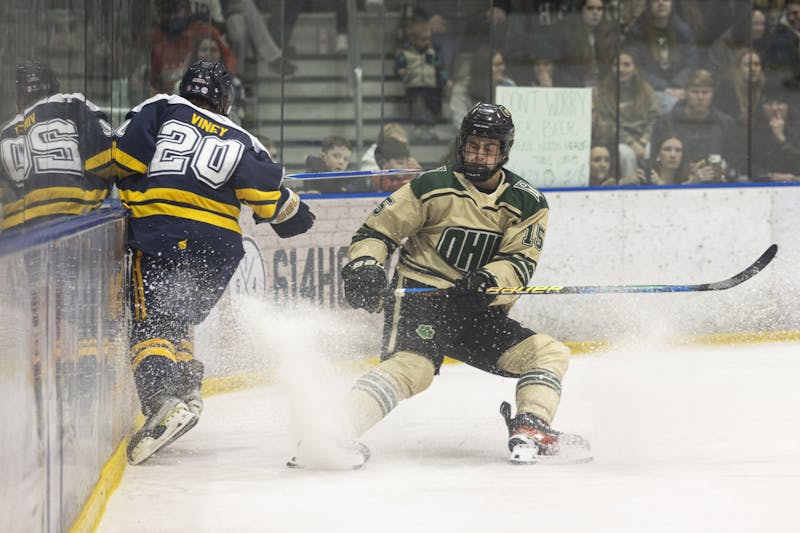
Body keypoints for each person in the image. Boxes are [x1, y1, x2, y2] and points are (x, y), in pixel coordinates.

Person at [288, 103, 591, 468]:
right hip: (424, 299)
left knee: (549, 354)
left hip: (479, 307)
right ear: (462, 144)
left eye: (489, 148)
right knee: (412, 369)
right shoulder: (432, 185)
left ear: (505, 151)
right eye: (473, 145)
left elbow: (520, 262)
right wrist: (366, 267)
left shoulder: (527, 203)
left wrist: (486, 281)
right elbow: (377, 232)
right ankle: (331, 433)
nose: (479, 154)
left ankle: (532, 427)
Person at [113, 61, 315, 465]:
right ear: (224, 99)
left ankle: (161, 403)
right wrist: (299, 213)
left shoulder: (162, 106)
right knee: (177, 316)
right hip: (218, 246)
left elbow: (123, 160)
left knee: (151, 323)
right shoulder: (243, 137)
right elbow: (271, 202)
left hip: (162, 230)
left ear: (184, 87)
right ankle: (187, 387)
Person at [0, 61, 113, 232]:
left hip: (19, 226)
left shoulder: (5, 132)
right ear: (54, 87)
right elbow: (106, 154)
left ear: (19, 97)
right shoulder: (74, 103)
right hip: (73, 212)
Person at [650, 69, 736, 183]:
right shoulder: (666, 122)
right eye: (695, 92)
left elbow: (734, 159)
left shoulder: (726, 123)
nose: (700, 97)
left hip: (716, 184)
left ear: (712, 94)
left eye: (705, 92)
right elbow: (655, 160)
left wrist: (723, 169)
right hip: (676, 185)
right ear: (685, 93)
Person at [594, 50, 664, 183]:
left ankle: (652, 186)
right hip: (617, 141)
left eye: (627, 65)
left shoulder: (646, 90)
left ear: (635, 68)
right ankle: (631, 188)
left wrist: (644, 140)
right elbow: (607, 124)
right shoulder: (600, 93)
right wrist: (631, 143)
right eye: (616, 65)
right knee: (626, 154)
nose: (621, 69)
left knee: (651, 150)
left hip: (644, 138)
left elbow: (656, 117)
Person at [623, 0, 699, 111]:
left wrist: (677, 85)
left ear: (672, 4)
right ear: (649, 5)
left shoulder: (683, 31)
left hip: (680, 88)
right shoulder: (637, 33)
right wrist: (664, 88)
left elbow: (691, 64)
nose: (661, 3)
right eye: (655, 0)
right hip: (647, 90)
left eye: (665, 0)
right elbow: (636, 68)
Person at [150, 0, 238, 94]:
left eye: (176, 10)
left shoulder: (205, 31)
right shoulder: (154, 38)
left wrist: (221, 83)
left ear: (187, 10)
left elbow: (229, 59)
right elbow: (153, 78)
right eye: (167, 11)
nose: (172, 17)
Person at [395, 17, 449, 140]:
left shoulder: (432, 52)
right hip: (414, 85)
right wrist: (400, 70)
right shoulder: (406, 53)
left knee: (432, 106)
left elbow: (439, 67)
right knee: (416, 107)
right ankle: (417, 127)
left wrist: (445, 79)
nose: (427, 42)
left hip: (430, 84)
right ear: (414, 40)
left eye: (429, 39)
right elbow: (399, 64)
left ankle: (431, 127)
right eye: (423, 40)